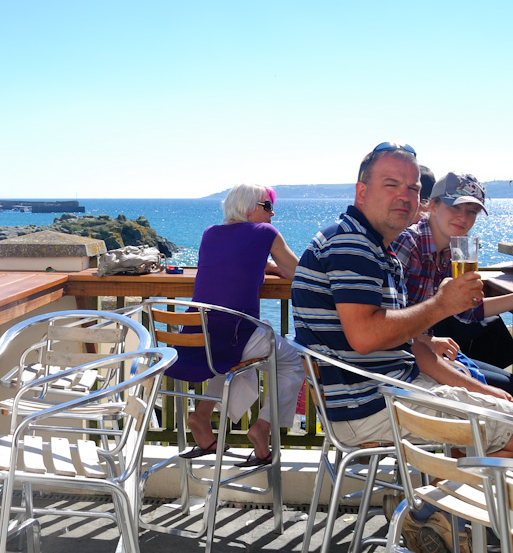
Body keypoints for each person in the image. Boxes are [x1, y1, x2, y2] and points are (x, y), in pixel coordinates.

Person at [291, 143, 513, 553]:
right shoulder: (351, 245)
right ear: (361, 192)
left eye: (411, 188)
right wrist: (440, 306)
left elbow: (405, 341)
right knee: (507, 422)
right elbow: (367, 336)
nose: (405, 196)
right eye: (391, 184)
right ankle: (439, 517)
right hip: (371, 404)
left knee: (495, 407)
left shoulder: (375, 246)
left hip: (382, 391)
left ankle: (443, 517)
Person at [171, 184, 303, 467]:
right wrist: (276, 267)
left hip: (198, 335)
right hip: (233, 334)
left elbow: (232, 263)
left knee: (228, 358)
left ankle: (202, 416)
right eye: (267, 207)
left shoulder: (210, 234)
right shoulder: (265, 233)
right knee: (292, 363)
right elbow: (298, 272)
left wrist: (265, 266)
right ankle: (262, 427)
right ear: (249, 207)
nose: (272, 214)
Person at [392, 172, 513, 392]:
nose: (464, 218)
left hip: (425, 350)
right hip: (404, 362)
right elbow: (388, 320)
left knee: (507, 381)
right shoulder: (408, 245)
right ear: (434, 206)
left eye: (472, 211)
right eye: (455, 207)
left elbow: (467, 313)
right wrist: (426, 341)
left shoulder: (450, 252)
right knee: (505, 388)